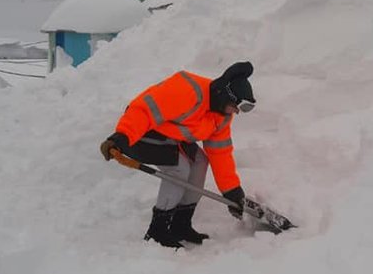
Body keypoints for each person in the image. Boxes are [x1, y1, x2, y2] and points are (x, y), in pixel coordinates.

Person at [100, 61, 257, 248]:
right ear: (224, 95)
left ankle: (180, 225)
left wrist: (232, 191)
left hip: (171, 136)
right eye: (235, 107)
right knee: (179, 168)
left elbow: (220, 152)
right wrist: (120, 137)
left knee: (200, 162)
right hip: (139, 132)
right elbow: (144, 110)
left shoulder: (222, 116)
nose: (236, 113)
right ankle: (157, 230)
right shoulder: (188, 91)